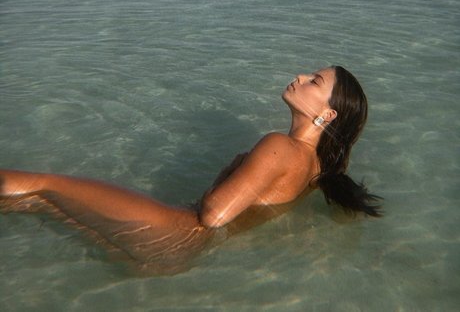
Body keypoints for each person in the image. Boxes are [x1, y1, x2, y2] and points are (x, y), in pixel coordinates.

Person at [0, 65, 381, 274]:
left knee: (40, 185)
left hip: (172, 230)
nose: (299, 76)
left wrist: (230, 172)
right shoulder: (317, 171)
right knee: (38, 203)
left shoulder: (280, 146)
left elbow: (214, 216)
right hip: (186, 255)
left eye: (314, 81)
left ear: (328, 114)